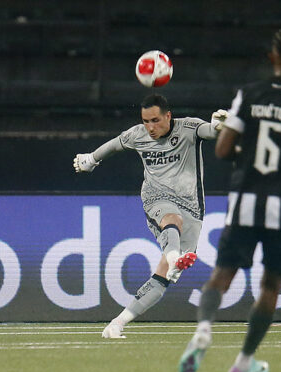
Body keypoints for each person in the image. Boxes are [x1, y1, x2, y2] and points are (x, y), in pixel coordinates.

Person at [178, 27, 281, 372]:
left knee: (221, 276)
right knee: (270, 286)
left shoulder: (248, 95)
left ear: (272, 57)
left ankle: (204, 328)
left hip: (246, 199)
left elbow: (221, 150)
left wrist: (243, 150)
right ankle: (245, 360)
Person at [74, 94, 228, 338]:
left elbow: (211, 131)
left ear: (168, 116)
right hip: (156, 198)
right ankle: (175, 256)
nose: (150, 127)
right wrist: (91, 159)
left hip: (192, 207)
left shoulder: (189, 127)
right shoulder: (138, 135)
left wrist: (221, 127)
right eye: (145, 121)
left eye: (155, 120)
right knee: (171, 219)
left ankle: (116, 324)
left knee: (163, 277)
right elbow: (115, 144)